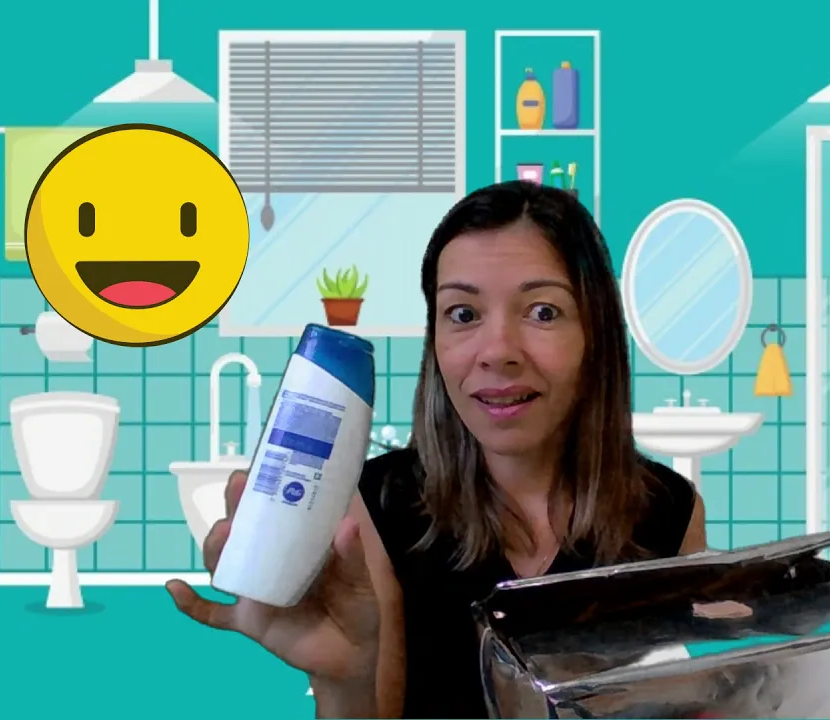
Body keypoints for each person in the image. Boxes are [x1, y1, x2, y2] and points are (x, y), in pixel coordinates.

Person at [166, 180, 715, 718]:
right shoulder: (377, 507)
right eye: (463, 314)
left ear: (596, 336)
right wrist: (345, 682)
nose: (497, 352)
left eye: (543, 312)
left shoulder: (670, 512)